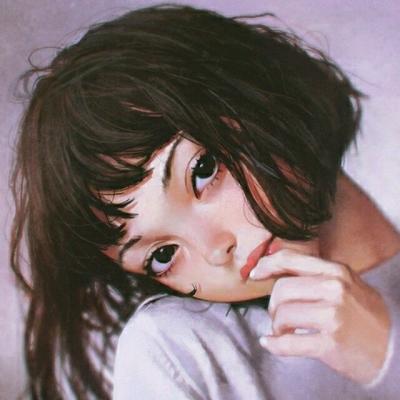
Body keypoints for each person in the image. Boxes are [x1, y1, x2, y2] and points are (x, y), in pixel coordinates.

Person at [10, 4, 400, 399]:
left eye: (203, 170)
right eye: (163, 256)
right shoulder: (182, 353)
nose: (215, 249)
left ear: (253, 93)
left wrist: (385, 356)